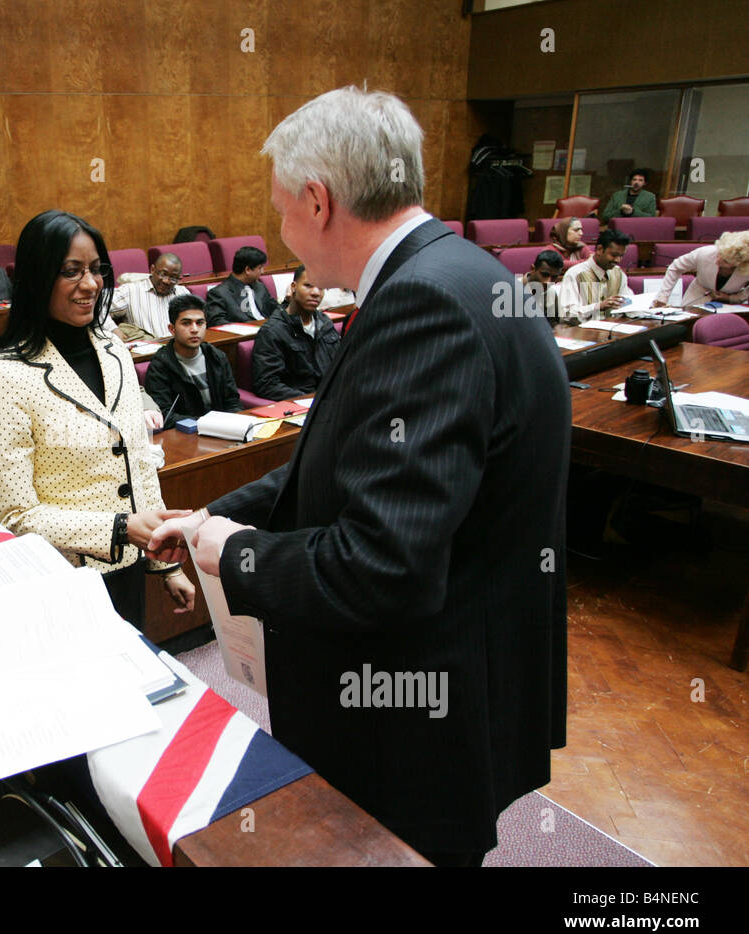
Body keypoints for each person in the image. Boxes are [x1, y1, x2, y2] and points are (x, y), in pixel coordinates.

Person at [148, 86, 570, 866]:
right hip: (467, 667)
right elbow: (345, 463)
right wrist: (207, 513)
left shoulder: (422, 306)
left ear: (318, 201)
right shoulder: (461, 271)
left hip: (414, 709)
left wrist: (227, 548)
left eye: (280, 209)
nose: (279, 232)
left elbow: (380, 569)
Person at [0, 210, 195, 629]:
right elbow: (17, 515)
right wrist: (119, 527)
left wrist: (165, 564)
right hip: (62, 578)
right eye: (71, 271)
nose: (91, 284)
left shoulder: (114, 351)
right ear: (38, 277)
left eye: (96, 269)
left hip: (128, 564)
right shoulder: (7, 376)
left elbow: (139, 466)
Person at [142, 294, 241, 427]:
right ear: (172, 329)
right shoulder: (160, 365)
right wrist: (205, 424)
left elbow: (233, 401)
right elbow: (164, 415)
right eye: (186, 323)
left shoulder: (216, 356)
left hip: (221, 429)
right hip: (185, 434)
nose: (194, 329)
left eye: (200, 323)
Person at [251, 264, 341, 399]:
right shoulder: (272, 331)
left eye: (321, 288)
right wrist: (312, 401)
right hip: (303, 404)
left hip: (334, 399)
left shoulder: (324, 323)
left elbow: (340, 368)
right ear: (293, 287)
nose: (316, 292)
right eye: (308, 286)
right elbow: (267, 384)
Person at [656, 229, 749, 307]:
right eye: (719, 254)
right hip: (697, 296)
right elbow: (675, 268)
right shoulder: (705, 253)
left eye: (725, 261)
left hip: (730, 305)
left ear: (740, 265)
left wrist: (732, 298)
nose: (717, 261)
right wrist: (663, 297)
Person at [106, 254, 189, 337]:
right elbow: (99, 308)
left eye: (173, 278)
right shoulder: (130, 291)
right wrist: (113, 329)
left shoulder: (182, 292)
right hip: (147, 347)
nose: (166, 281)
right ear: (152, 269)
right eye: (163, 274)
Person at [558, 228, 631, 322]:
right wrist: (598, 306)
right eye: (614, 255)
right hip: (582, 333)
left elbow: (628, 304)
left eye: (621, 256)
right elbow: (567, 314)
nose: (618, 260)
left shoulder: (619, 274)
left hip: (613, 330)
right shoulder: (575, 274)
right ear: (600, 249)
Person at [205, 246, 280, 326]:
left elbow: (276, 310)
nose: (263, 272)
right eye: (260, 268)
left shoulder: (260, 287)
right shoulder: (218, 293)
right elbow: (217, 322)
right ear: (248, 270)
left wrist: (288, 300)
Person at [518, 249, 564, 324]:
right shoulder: (512, 289)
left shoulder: (551, 292)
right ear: (533, 269)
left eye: (554, 277)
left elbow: (555, 323)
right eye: (545, 275)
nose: (548, 281)